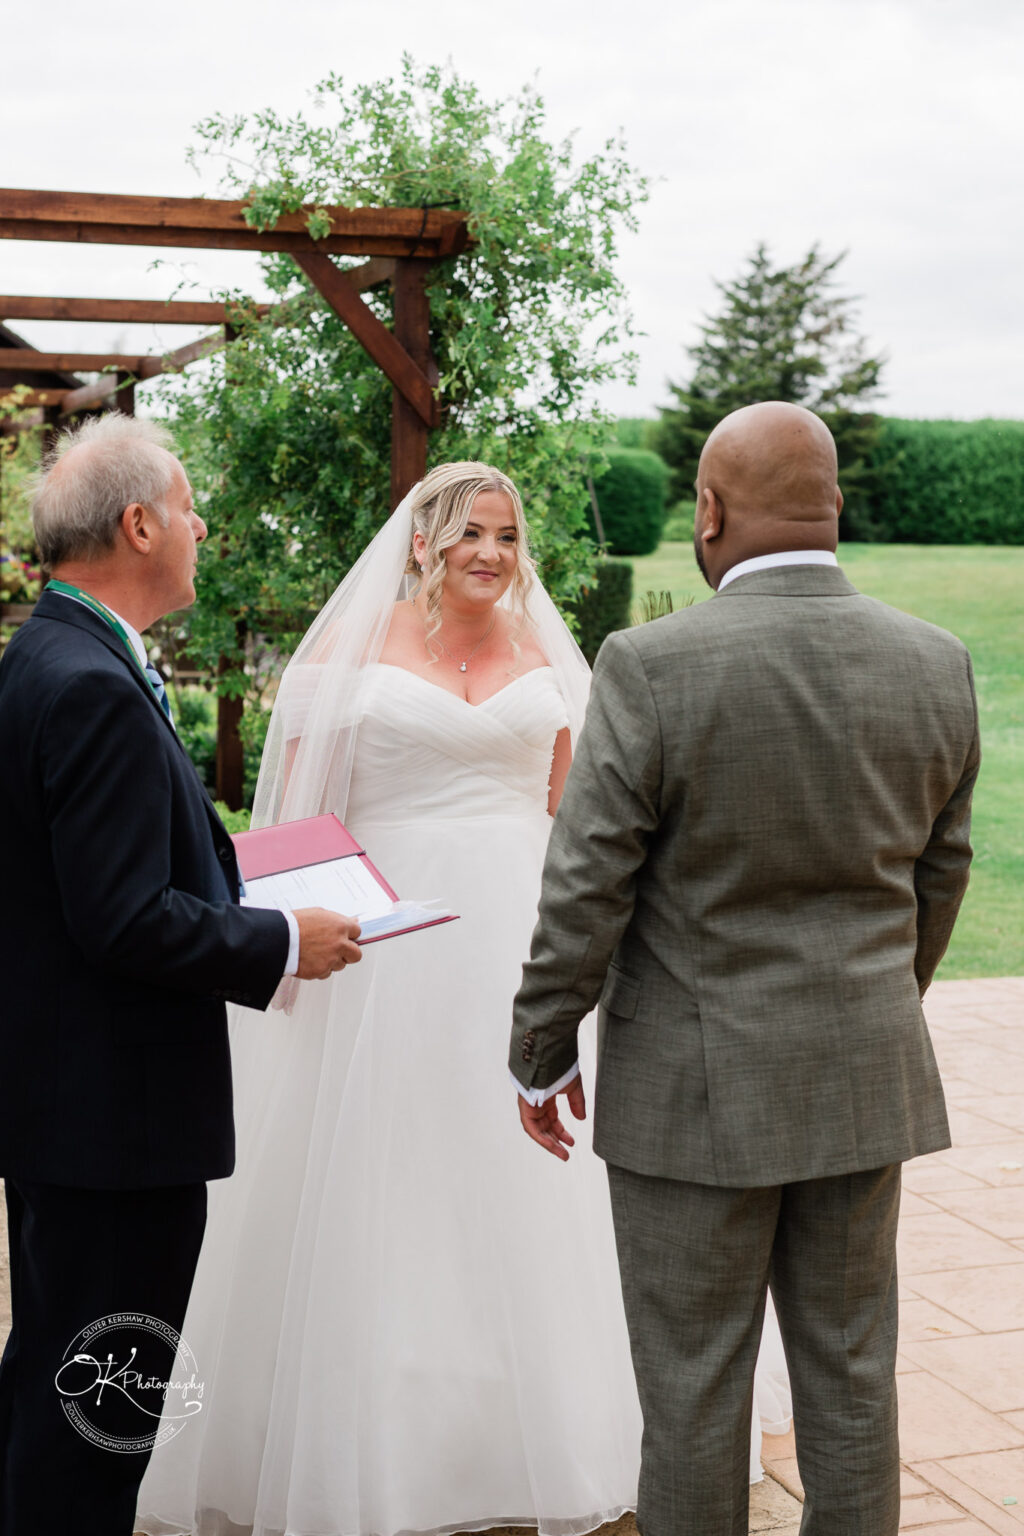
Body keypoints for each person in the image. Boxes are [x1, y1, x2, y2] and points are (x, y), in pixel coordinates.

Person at [135, 461, 790, 1536]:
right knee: (385, 1167)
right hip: (385, 945)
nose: (491, 552)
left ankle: (546, 1417)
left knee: (529, 1175)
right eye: (470, 533)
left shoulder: (551, 659)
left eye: (505, 534)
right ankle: (377, 1425)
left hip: (522, 935)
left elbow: (578, 821)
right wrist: (294, 951)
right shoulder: (352, 655)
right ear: (425, 543)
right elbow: (302, 817)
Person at [509, 402, 981, 1536]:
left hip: (692, 1094)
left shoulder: (652, 665)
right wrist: (872, 1004)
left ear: (708, 512)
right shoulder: (934, 661)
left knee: (692, 1389)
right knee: (853, 1380)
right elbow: (942, 874)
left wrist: (539, 1048)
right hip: (863, 1079)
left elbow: (588, 883)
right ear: (833, 506)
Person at [0, 414, 361, 1536]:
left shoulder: (51, 651)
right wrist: (283, 939)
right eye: (191, 506)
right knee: (101, 1410)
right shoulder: (93, 683)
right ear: (141, 522)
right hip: (116, 1119)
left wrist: (242, 873)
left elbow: (95, 875)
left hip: (65, 1105)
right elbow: (120, 919)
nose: (203, 527)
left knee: (51, 1378)